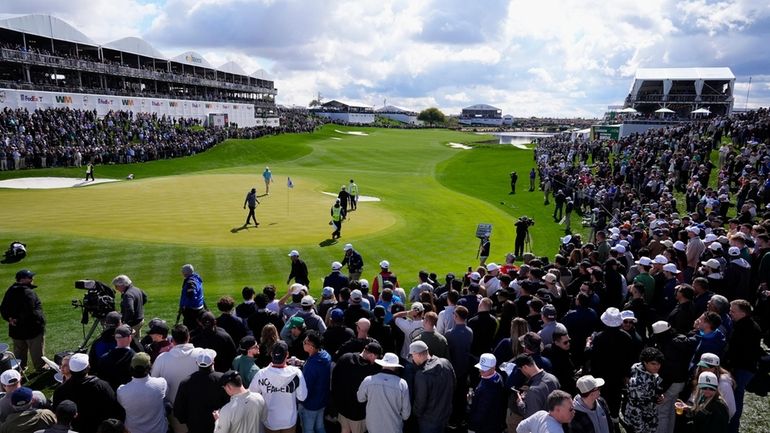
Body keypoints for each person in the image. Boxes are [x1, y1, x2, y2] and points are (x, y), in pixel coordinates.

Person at [52, 353, 125, 433]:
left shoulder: (60, 390)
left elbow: (57, 414)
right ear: (88, 368)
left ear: (71, 370)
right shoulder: (102, 386)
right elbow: (114, 409)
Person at [151, 324, 204, 433]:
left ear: (173, 340)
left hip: (174, 412)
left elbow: (153, 384)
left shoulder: (162, 359)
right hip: (199, 409)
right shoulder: (202, 354)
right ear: (188, 337)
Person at [249, 341, 308, 433]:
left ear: (272, 354)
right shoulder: (296, 373)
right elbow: (302, 396)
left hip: (270, 420)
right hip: (289, 420)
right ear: (287, 354)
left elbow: (251, 395)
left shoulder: (261, 374)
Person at [724, 299, 762, 433]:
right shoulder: (744, 324)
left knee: (735, 399)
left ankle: (732, 427)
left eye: (733, 311)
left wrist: (730, 365)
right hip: (744, 367)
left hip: (742, 369)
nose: (730, 313)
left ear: (743, 313)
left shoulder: (746, 328)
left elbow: (740, 352)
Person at [174, 349, 230, 433]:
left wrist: (189, 421)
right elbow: (230, 404)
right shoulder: (223, 379)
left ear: (197, 363)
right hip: (219, 427)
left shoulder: (186, 382)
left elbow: (178, 410)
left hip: (195, 428)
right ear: (213, 362)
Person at [1, 269, 45, 372]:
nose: (32, 279)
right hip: (32, 329)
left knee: (19, 351)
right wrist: (18, 320)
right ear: (23, 279)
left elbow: (3, 308)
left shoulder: (10, 290)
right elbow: (29, 311)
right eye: (30, 277)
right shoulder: (28, 292)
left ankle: (20, 369)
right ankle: (40, 367)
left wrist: (10, 319)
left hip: (16, 329)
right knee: (36, 351)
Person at [332, 342, 383, 433]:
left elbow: (334, 381)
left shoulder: (345, 358)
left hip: (342, 409)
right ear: (371, 355)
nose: (376, 361)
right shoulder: (370, 370)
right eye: (377, 357)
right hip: (358, 414)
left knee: (344, 430)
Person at [357, 352, 411, 433]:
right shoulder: (402, 384)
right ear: (395, 367)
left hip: (373, 427)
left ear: (382, 364)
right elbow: (406, 415)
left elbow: (360, 398)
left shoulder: (368, 380)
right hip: (394, 428)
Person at [409, 340, 455, 433]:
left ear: (417, 354)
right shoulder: (446, 362)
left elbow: (420, 403)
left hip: (428, 421)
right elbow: (454, 384)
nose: (412, 359)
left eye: (412, 356)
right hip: (445, 416)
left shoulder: (421, 375)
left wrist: (415, 414)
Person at [117, 353, 168, 433]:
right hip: (159, 430)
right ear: (149, 367)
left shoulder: (121, 390)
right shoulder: (161, 383)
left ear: (131, 368)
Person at [623, 347, 664, 433]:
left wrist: (659, 396)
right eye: (653, 364)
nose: (657, 367)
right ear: (645, 362)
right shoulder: (637, 383)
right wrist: (640, 429)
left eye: (659, 364)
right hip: (639, 420)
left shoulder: (642, 368)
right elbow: (636, 409)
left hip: (649, 414)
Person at [300, 331, 331, 433]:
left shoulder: (311, 366)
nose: (303, 342)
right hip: (322, 400)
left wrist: (301, 401)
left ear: (311, 347)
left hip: (310, 404)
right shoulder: (326, 355)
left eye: (305, 342)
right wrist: (302, 363)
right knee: (320, 426)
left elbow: (306, 388)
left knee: (308, 429)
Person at [468, 353, 507, 433]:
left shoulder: (489, 387)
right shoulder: (497, 376)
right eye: (480, 368)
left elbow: (481, 411)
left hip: (485, 425)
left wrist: (472, 427)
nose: (480, 371)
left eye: (484, 369)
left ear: (493, 368)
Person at [97, 324, 136, 390]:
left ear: (115, 338)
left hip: (110, 394)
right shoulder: (135, 358)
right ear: (130, 338)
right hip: (129, 394)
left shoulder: (104, 358)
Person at [179, 264, 205, 330]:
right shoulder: (197, 278)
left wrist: (185, 307)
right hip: (199, 308)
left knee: (190, 328)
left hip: (192, 311)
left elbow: (192, 296)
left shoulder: (190, 282)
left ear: (185, 273)